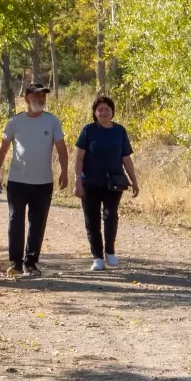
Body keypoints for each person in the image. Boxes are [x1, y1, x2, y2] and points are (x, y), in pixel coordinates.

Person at [0, 83, 68, 277]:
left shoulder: (52, 122)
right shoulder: (15, 122)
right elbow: (3, 149)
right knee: (15, 220)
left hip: (43, 182)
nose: (40, 99)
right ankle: (16, 263)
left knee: (38, 223)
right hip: (18, 181)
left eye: (43, 96)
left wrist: (65, 171)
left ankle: (31, 263)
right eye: (36, 96)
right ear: (26, 98)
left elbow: (61, 148)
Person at [74, 96, 139, 271]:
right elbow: (79, 157)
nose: (104, 112)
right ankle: (97, 257)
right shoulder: (88, 130)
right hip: (90, 182)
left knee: (111, 215)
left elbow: (126, 157)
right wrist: (77, 179)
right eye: (100, 109)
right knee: (92, 219)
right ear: (95, 112)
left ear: (112, 112)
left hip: (114, 182)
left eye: (107, 109)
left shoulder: (119, 131)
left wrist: (134, 180)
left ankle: (110, 251)